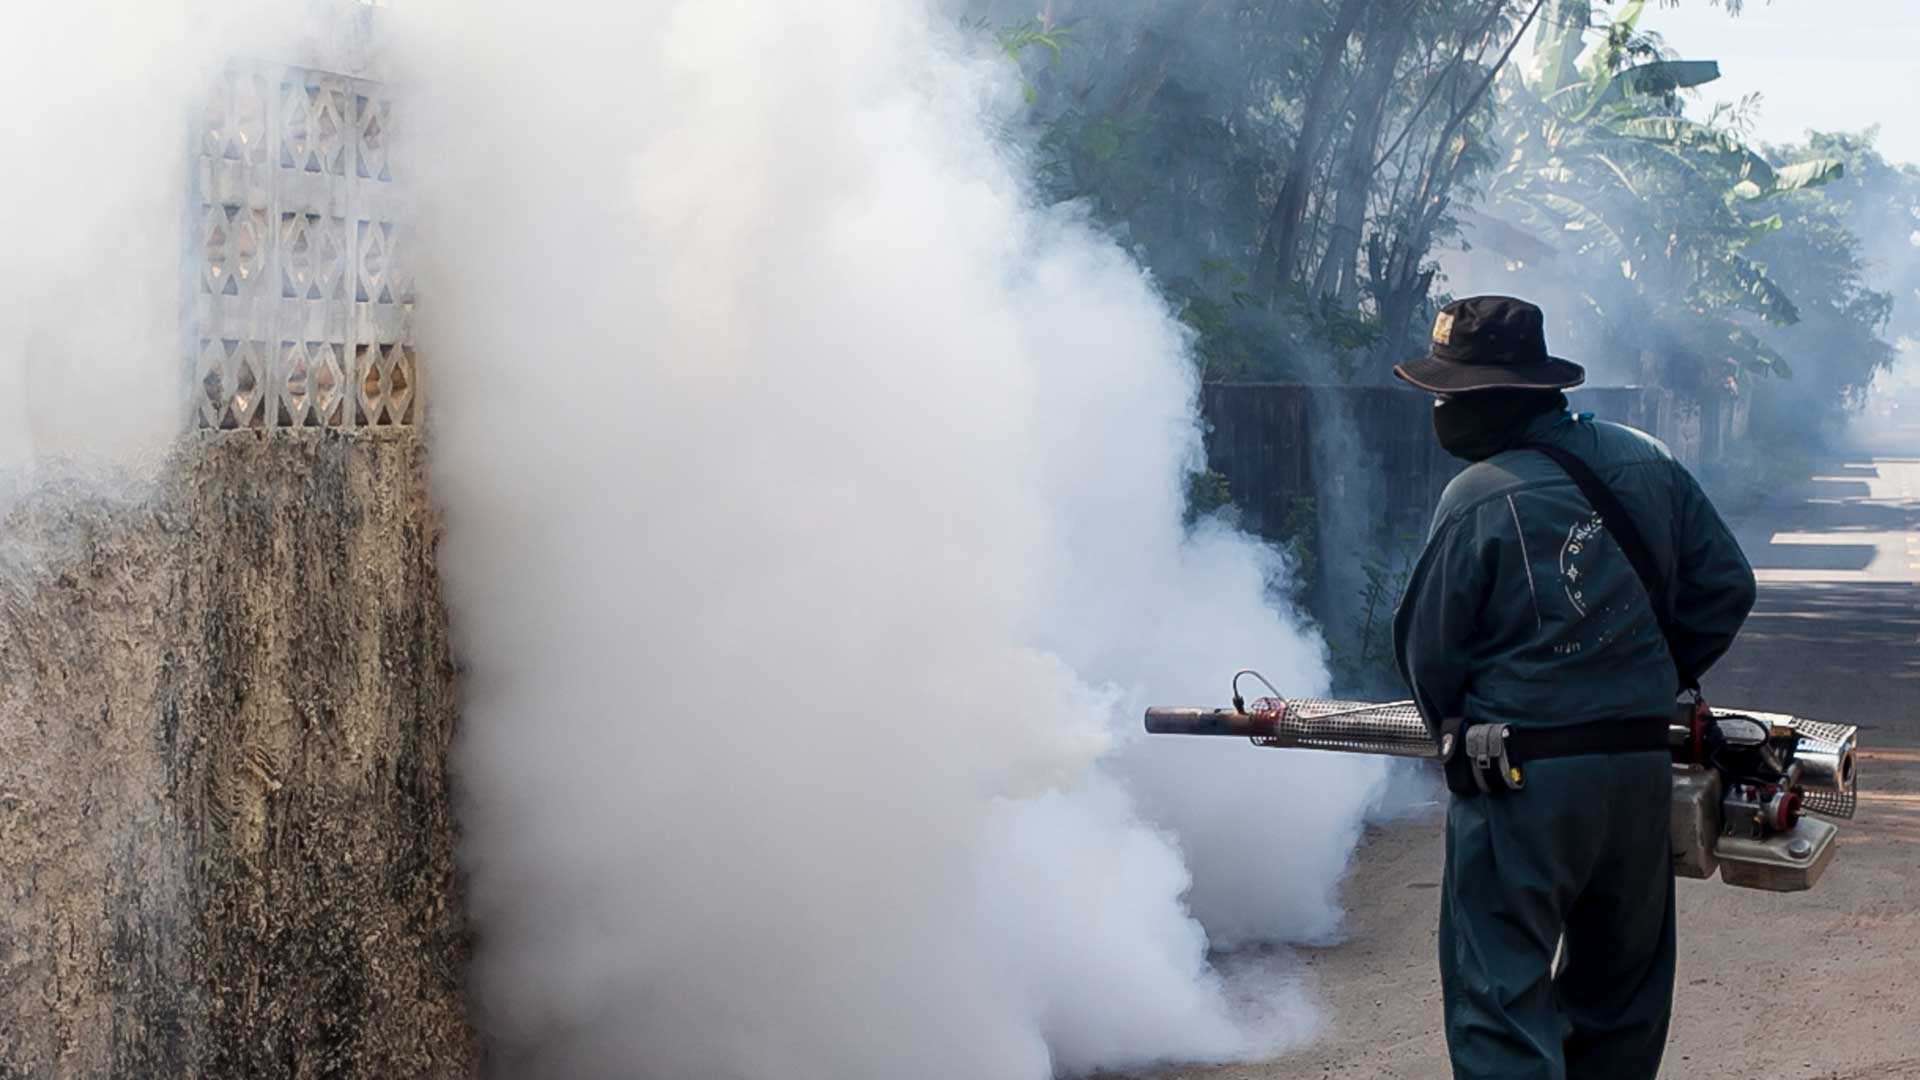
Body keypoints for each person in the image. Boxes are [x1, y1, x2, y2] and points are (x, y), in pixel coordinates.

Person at [1390, 295, 1756, 1080]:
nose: (1445, 411)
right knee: (1618, 1001)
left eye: (1453, 395)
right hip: (1635, 770)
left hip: (1519, 776)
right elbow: (1725, 585)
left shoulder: (1479, 496)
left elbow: (1430, 651)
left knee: (1500, 1001)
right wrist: (1650, 675)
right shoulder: (1648, 460)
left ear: (1496, 397)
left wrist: (1451, 726)